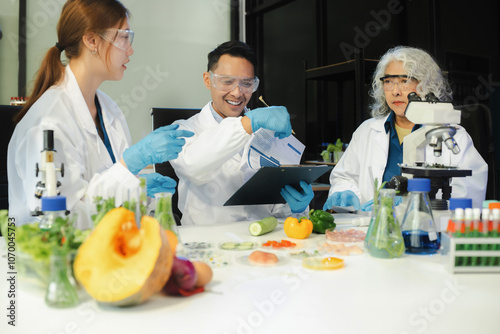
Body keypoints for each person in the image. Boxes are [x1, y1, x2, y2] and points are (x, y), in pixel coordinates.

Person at [8, 0, 193, 228]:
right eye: (125, 37)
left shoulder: (109, 109)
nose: (131, 49)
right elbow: (60, 222)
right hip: (49, 259)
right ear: (92, 40)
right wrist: (129, 166)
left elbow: (103, 191)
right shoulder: (48, 122)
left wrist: (137, 188)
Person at [323, 46, 488, 210]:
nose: (395, 91)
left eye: (405, 81)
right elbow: (344, 178)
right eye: (388, 82)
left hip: (427, 229)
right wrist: (345, 192)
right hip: (371, 229)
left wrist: (407, 206)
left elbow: (469, 192)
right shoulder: (366, 131)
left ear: (426, 85)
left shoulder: (452, 135)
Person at [169, 41, 314, 225]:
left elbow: (281, 211)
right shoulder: (184, 130)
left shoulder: (269, 133)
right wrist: (249, 123)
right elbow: (194, 167)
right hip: (207, 243)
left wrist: (298, 209)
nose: (238, 93)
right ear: (208, 80)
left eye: (246, 83)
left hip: (262, 242)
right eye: (227, 81)